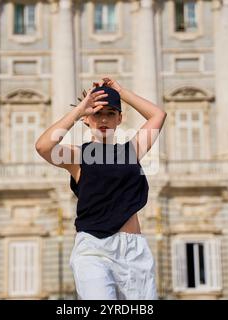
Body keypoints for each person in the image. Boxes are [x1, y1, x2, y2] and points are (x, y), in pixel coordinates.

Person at [35, 77, 167, 299]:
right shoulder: (77, 156)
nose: (104, 119)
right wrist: (79, 111)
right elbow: (43, 146)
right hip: (93, 249)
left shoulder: (132, 151)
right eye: (97, 113)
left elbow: (158, 115)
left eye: (111, 113)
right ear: (88, 119)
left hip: (133, 250)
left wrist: (121, 91)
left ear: (119, 119)